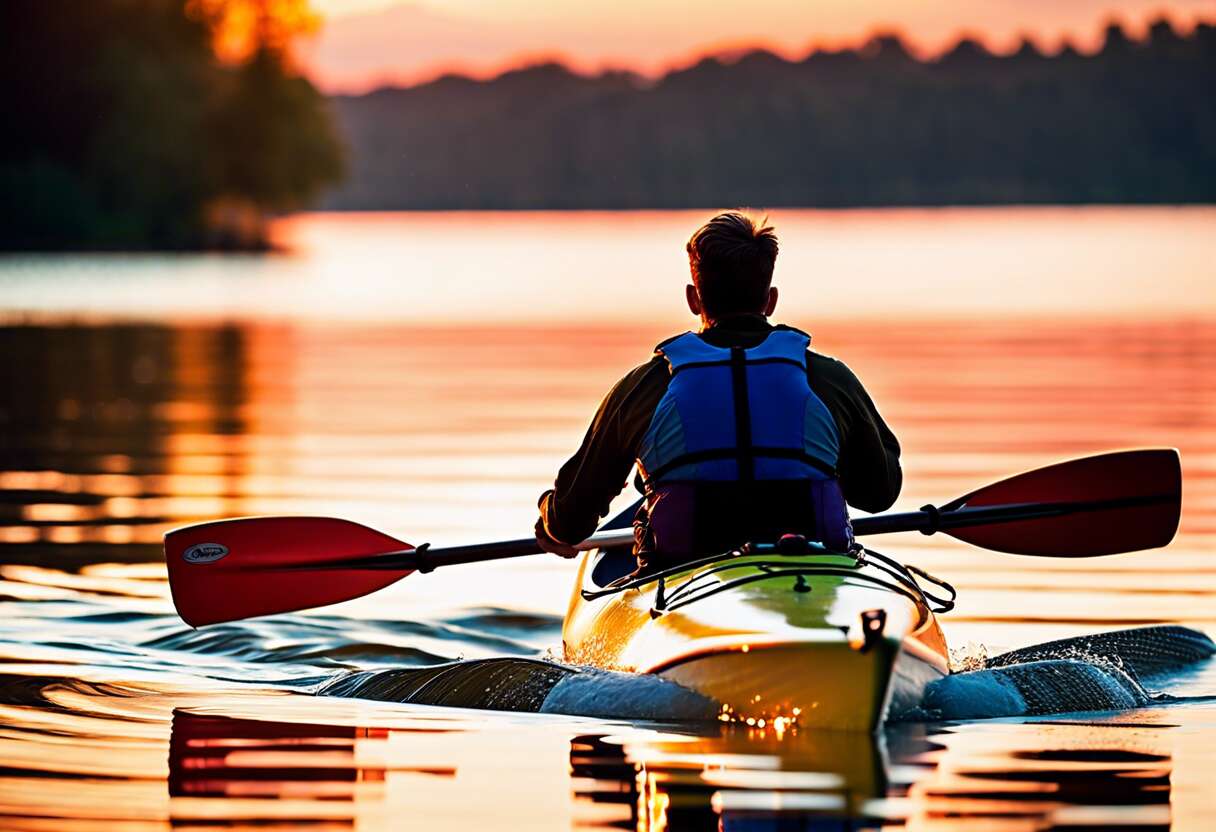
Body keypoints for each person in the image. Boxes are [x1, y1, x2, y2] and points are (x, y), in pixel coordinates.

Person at [535, 211, 901, 568]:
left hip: (684, 572)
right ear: (770, 300)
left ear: (694, 298)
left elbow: (570, 522)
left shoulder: (646, 386)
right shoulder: (828, 378)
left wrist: (549, 518)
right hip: (814, 564)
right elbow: (879, 493)